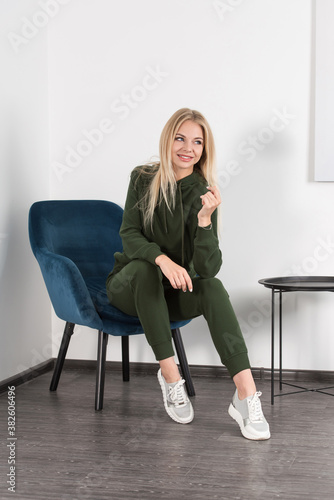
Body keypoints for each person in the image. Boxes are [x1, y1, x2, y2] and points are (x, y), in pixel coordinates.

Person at [106, 108, 270, 441]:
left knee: (212, 287)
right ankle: (170, 376)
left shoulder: (204, 193)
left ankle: (245, 394)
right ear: (169, 140)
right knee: (144, 268)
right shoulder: (143, 178)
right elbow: (130, 233)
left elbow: (208, 269)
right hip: (129, 286)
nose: (188, 148)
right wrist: (162, 260)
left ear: (204, 149)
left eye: (197, 142)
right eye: (181, 138)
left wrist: (206, 219)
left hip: (170, 296)